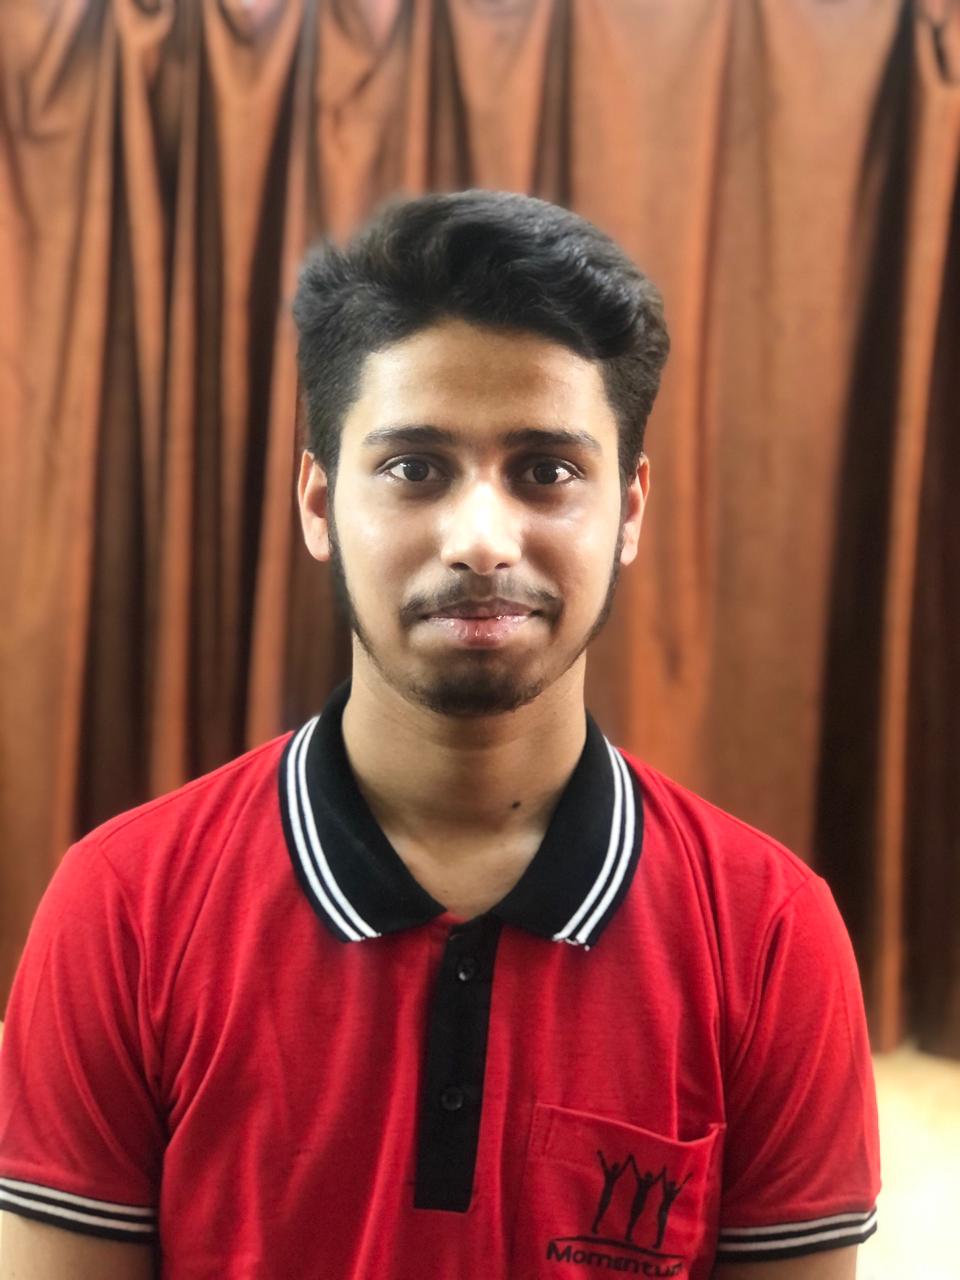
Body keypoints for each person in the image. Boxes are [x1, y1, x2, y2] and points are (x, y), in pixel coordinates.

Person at [0, 190, 880, 1280]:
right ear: (317, 503)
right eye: (415, 467)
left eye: (547, 470)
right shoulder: (122, 910)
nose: (479, 539)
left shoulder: (773, 937)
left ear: (630, 510)